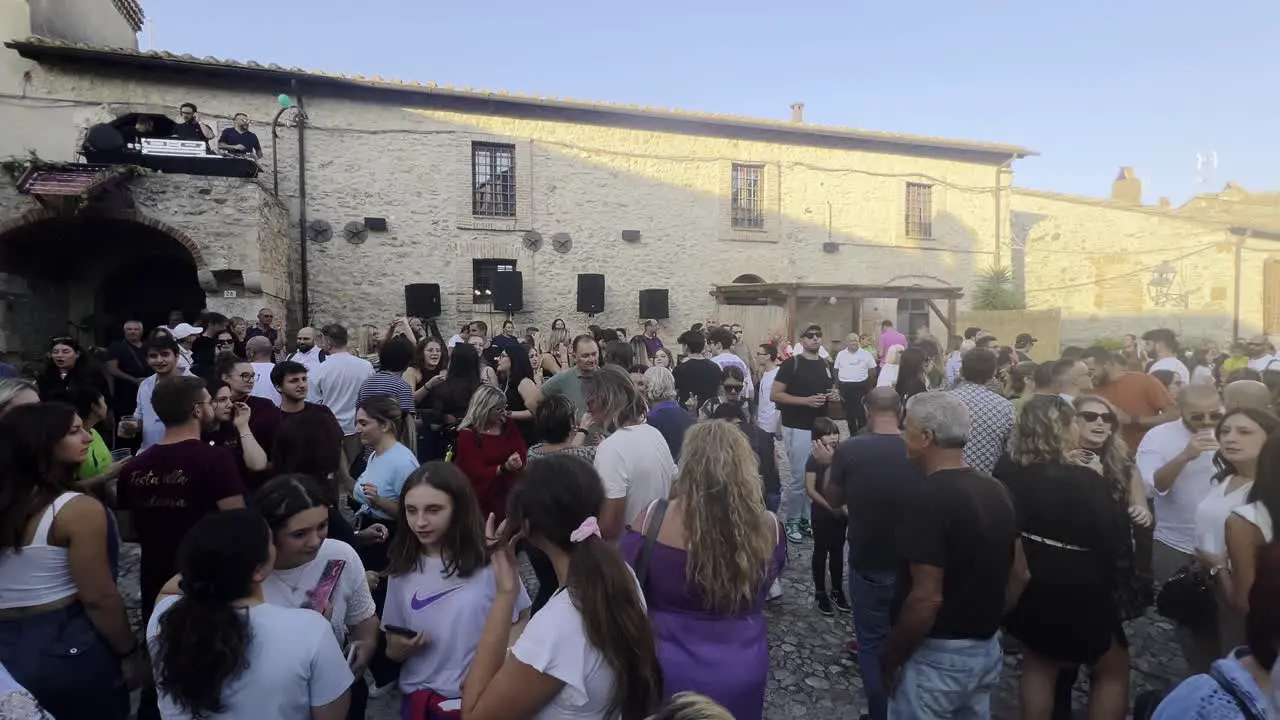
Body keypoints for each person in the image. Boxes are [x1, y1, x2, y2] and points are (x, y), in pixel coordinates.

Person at [461, 455, 664, 719]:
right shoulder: (620, 575)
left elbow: (474, 715)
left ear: (527, 527)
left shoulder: (559, 624)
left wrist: (505, 594)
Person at [621, 421, 785, 720]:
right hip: (743, 663)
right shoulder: (770, 528)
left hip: (666, 664)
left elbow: (628, 578)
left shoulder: (654, 519)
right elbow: (769, 579)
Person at [882, 392, 1027, 718]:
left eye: (907, 427)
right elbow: (1020, 574)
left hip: (936, 654)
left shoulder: (925, 499)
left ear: (926, 437)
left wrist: (893, 655)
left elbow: (926, 599)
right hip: (985, 648)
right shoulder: (996, 489)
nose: (902, 434)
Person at [0, 403, 139, 720]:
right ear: (44, 443)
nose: (88, 437)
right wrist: (128, 651)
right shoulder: (77, 510)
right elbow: (99, 597)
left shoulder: (14, 500)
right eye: (74, 431)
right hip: (64, 642)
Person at [147, 510, 352, 719]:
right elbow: (332, 715)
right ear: (258, 570)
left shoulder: (166, 619)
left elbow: (168, 590)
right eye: (270, 542)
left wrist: (207, 565)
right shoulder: (310, 630)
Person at [381, 463, 531, 717]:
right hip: (421, 701)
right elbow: (391, 643)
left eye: (433, 510)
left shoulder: (490, 561)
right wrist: (399, 648)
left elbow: (521, 616)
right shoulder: (401, 568)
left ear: (459, 509)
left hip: (479, 700)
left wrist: (501, 662)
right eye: (411, 510)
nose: (420, 522)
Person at [771, 324, 837, 543]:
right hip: (796, 426)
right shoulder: (792, 364)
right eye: (810, 336)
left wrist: (835, 396)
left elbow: (830, 394)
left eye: (819, 335)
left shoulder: (826, 365)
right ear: (802, 340)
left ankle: (806, 519)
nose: (816, 339)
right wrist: (805, 401)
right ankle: (792, 519)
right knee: (799, 477)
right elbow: (775, 395)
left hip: (820, 428)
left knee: (817, 475)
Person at [805, 416, 848, 616]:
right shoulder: (813, 459)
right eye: (827, 434)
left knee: (838, 552)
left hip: (841, 514)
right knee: (821, 551)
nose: (832, 437)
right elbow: (810, 489)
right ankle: (820, 591)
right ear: (817, 438)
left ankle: (838, 589)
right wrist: (831, 506)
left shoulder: (843, 455)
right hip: (822, 513)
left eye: (834, 433)